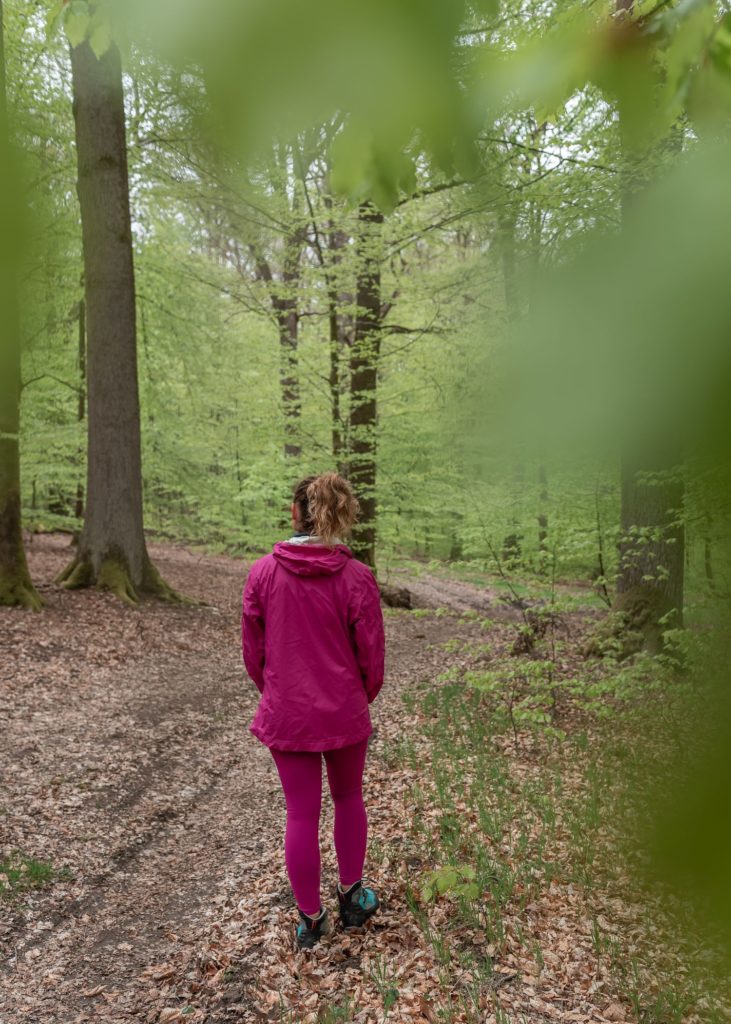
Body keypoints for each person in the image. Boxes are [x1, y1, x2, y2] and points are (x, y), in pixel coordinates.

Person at [241, 472, 385, 950]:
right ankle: (352, 898)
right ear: (336, 514)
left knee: (300, 813)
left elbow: (253, 653)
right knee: (348, 799)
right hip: (343, 711)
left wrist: (278, 691)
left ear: (295, 512)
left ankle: (309, 920)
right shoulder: (358, 577)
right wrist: (355, 696)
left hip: (288, 714)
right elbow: (372, 658)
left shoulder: (263, 572)